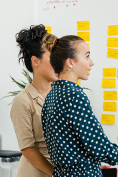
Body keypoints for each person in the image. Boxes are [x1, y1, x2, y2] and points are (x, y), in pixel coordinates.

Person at [41, 34, 118, 176]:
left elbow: (71, 144)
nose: (92, 62)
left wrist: (93, 162)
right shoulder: (74, 95)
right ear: (70, 63)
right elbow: (95, 143)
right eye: (87, 56)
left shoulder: (52, 95)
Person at [10, 24, 58, 176]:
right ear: (35, 61)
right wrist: (57, 174)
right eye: (53, 58)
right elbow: (28, 149)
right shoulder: (22, 101)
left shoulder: (61, 95)